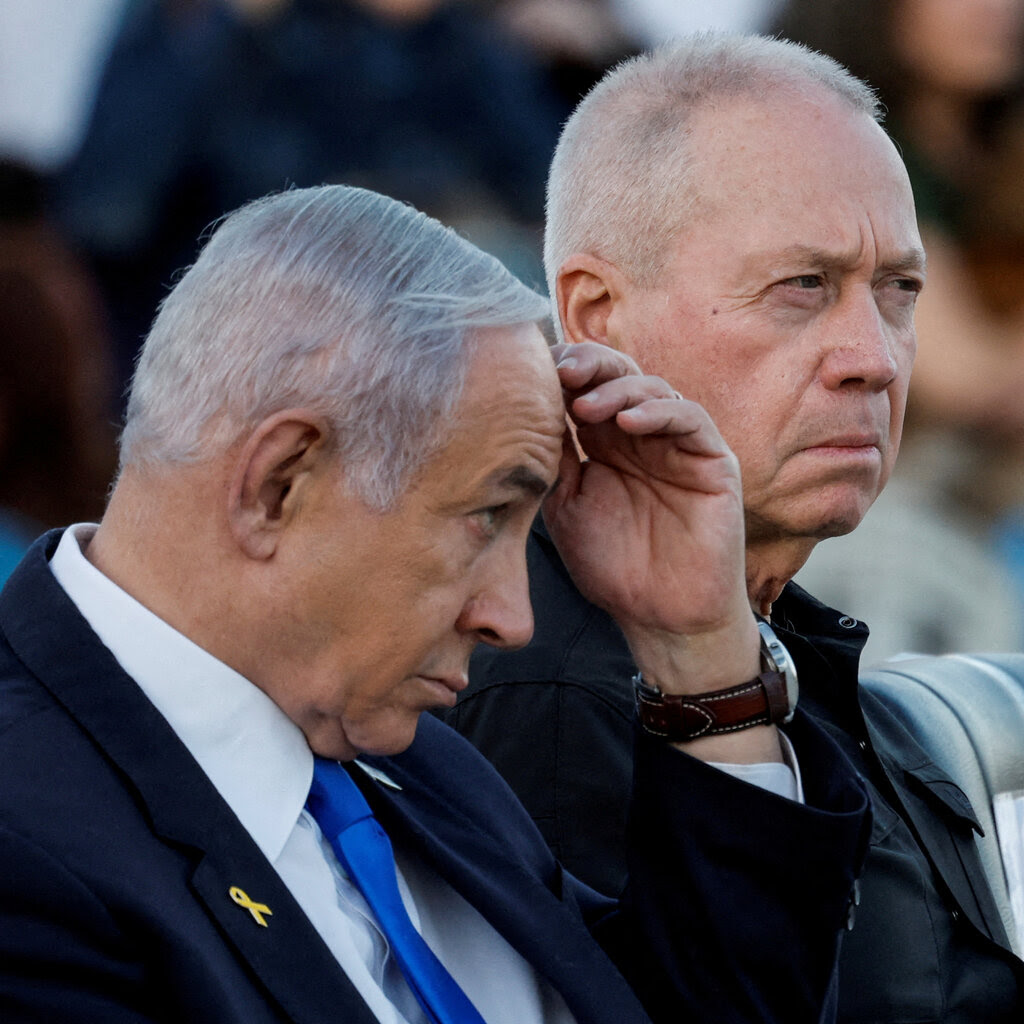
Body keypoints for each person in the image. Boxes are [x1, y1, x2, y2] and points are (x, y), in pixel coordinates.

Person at [0, 184, 869, 1023]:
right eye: (487, 515)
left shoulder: (429, 771)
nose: (512, 619)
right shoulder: (27, 847)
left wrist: (697, 643)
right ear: (278, 483)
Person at [446, 33, 1024, 1022]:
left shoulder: (768, 616)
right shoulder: (536, 674)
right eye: (802, 286)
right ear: (594, 315)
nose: (873, 358)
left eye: (899, 290)